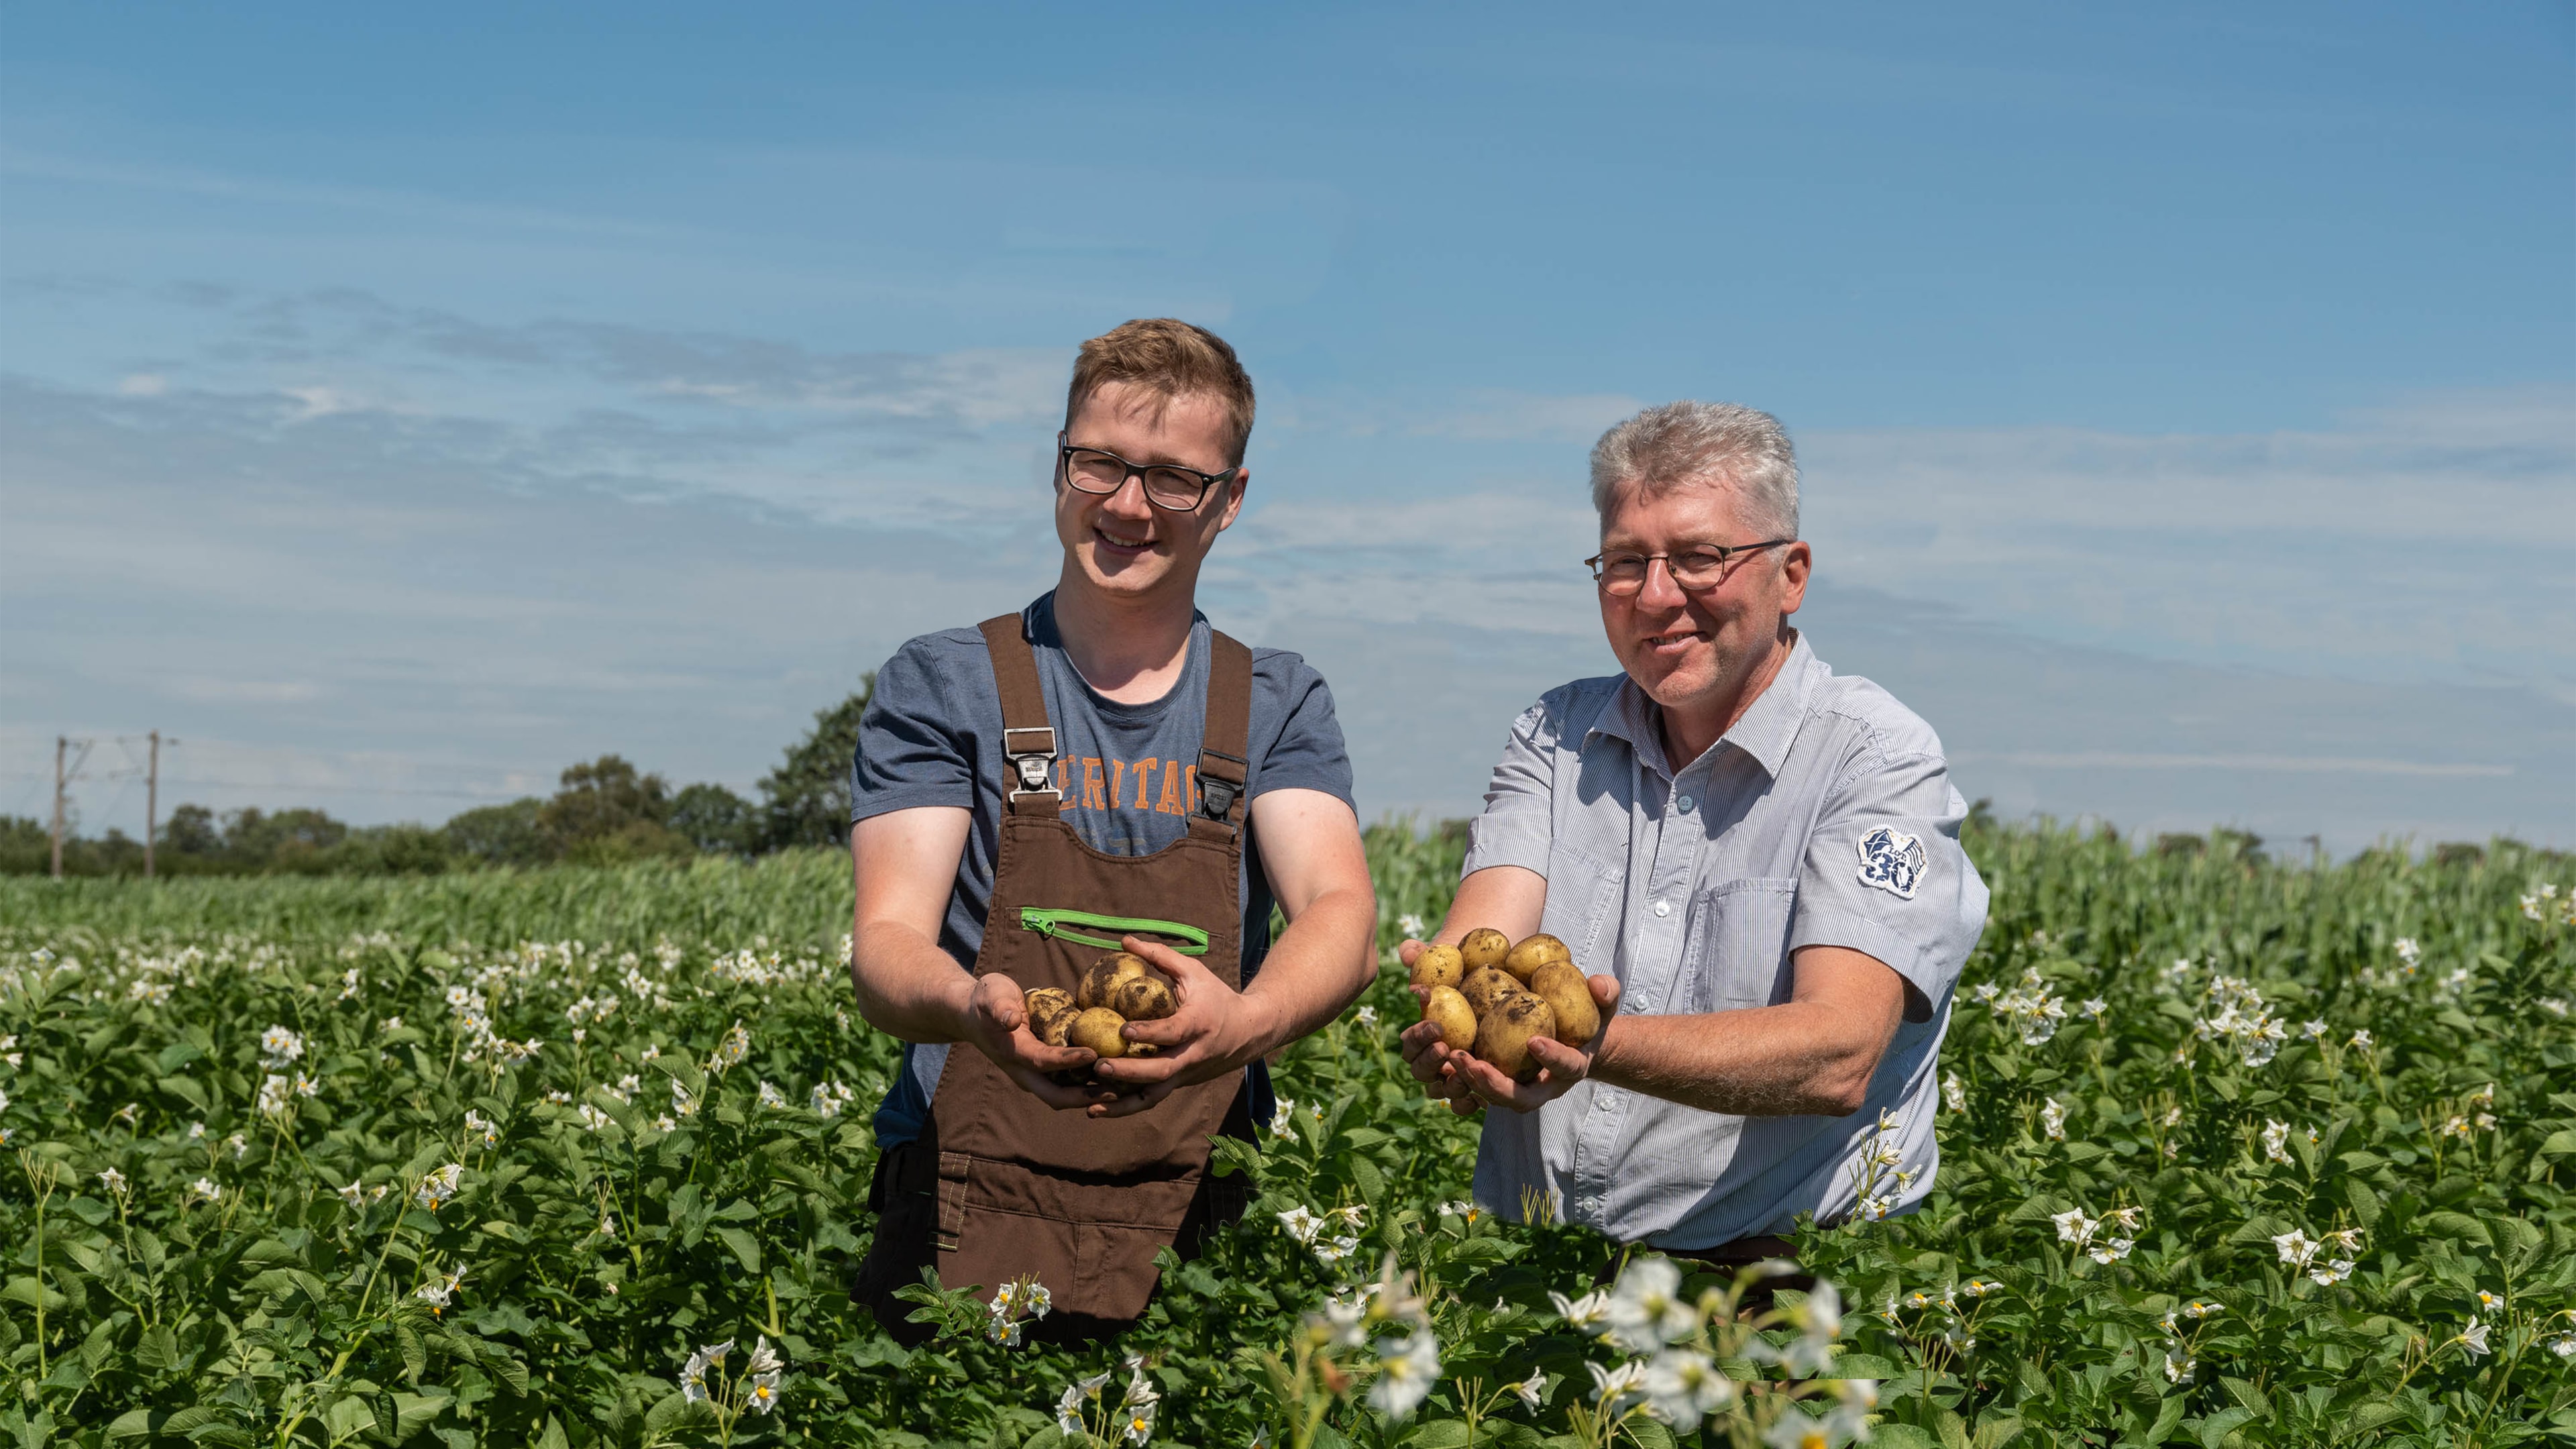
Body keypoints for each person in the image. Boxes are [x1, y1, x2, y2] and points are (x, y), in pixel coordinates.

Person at [847, 319, 1377, 1341]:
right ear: (1060, 465)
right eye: (1101, 465)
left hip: (1191, 1209)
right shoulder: (946, 683)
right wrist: (970, 1006)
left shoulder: (1275, 701)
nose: (1129, 506)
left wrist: (1245, 1026)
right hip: (957, 1198)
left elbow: (1340, 911)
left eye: (1175, 479)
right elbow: (886, 947)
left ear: (1229, 501)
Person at [1397, 400, 1988, 1283]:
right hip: (1550, 1282)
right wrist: (1455, 1033)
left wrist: (1595, 1046)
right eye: (1625, 562)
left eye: (1700, 558)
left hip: (1778, 1290)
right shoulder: (1556, 734)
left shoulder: (1874, 760)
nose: (1658, 595)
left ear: (1791, 575)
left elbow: (1838, 1052)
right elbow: (1485, 940)